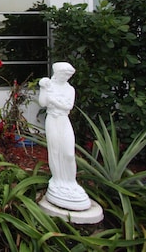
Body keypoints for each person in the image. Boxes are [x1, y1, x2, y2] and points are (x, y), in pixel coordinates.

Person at [39, 62, 91, 211]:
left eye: (69, 75)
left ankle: (70, 182)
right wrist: (43, 88)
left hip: (63, 119)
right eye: (65, 74)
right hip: (52, 119)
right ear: (58, 73)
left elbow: (68, 106)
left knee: (68, 153)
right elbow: (43, 103)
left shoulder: (70, 89)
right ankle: (57, 180)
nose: (67, 77)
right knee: (55, 151)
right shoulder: (49, 85)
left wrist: (54, 100)